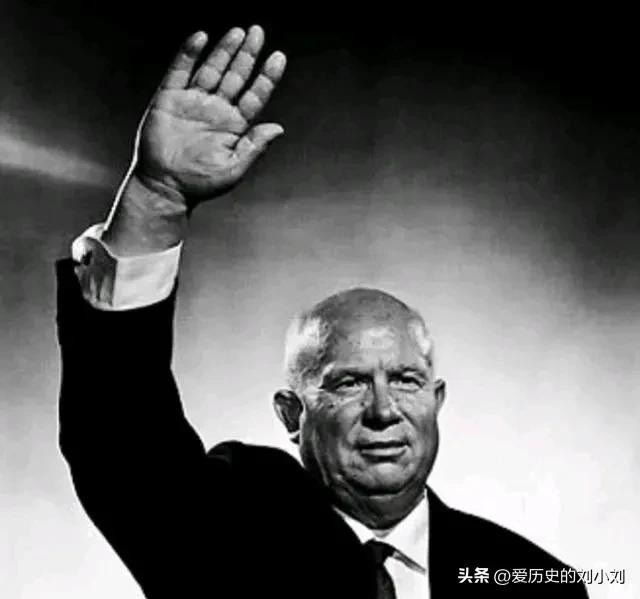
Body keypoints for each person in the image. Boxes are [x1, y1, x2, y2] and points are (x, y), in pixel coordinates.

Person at [56, 25, 589, 599]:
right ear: (292, 414)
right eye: (349, 383)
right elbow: (123, 447)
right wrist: (155, 200)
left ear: (436, 401)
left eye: (405, 380)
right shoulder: (226, 533)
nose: (383, 411)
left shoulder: (536, 581)